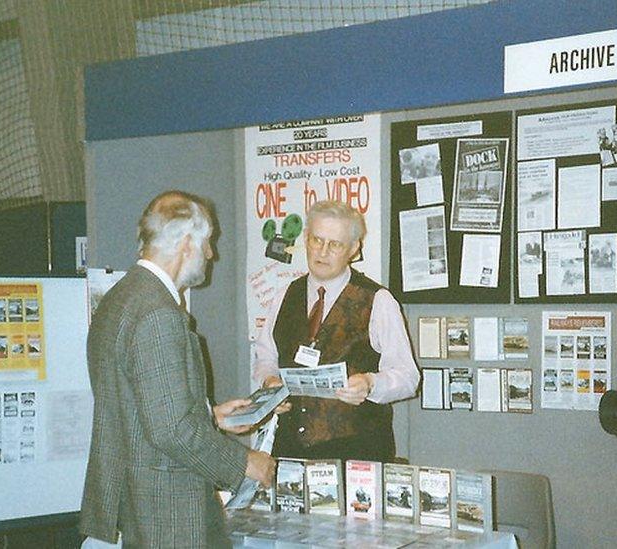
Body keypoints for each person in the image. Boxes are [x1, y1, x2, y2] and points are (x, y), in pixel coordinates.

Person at [80, 190, 276, 548]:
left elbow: (138, 408)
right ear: (187, 242)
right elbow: (171, 430)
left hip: (129, 507)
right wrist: (245, 462)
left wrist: (209, 415)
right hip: (163, 515)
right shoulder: (158, 313)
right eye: (208, 243)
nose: (211, 254)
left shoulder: (119, 298)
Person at [253, 200, 420, 462]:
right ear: (306, 239)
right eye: (317, 240)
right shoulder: (285, 295)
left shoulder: (378, 300)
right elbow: (265, 357)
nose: (323, 251)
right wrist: (269, 383)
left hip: (357, 452)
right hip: (289, 450)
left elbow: (408, 378)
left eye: (335, 244)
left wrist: (370, 384)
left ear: (354, 249)